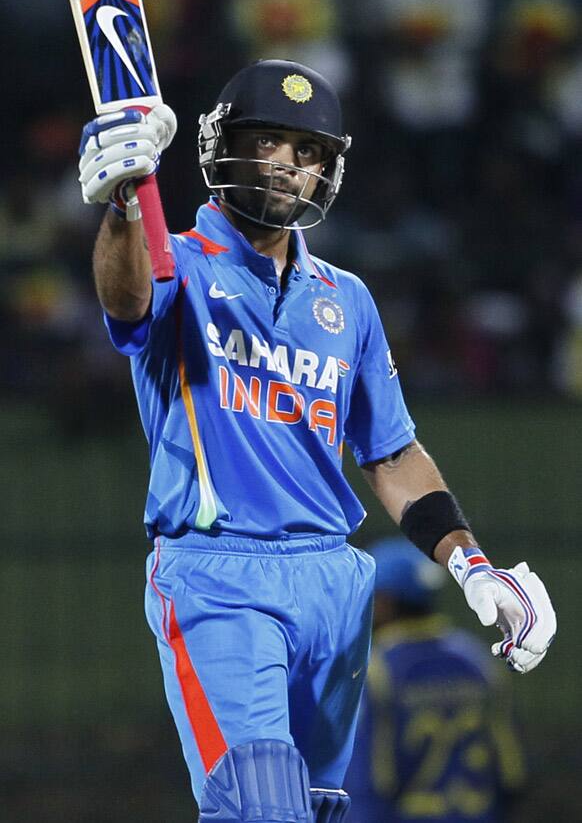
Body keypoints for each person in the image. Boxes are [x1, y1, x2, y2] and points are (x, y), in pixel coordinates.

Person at [78, 59, 556, 823]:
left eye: (309, 153)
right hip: (219, 579)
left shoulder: (348, 300)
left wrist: (472, 567)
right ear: (226, 145)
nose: (290, 166)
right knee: (260, 807)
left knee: (324, 811)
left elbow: (392, 452)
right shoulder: (184, 266)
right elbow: (128, 302)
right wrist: (125, 205)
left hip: (333, 581)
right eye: (270, 141)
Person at [345, 537, 527, 823]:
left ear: (383, 601)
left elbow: (369, 776)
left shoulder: (377, 668)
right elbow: (511, 771)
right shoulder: (477, 661)